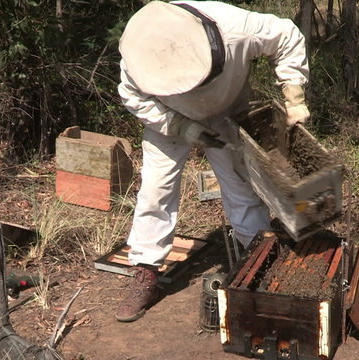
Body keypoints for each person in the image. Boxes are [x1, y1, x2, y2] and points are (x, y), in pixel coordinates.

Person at [114, 0, 310, 322]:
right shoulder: (140, 52)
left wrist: (294, 94)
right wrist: (181, 127)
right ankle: (146, 272)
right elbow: (134, 98)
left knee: (241, 187)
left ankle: (258, 258)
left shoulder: (236, 27)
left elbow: (286, 35)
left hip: (227, 112)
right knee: (155, 190)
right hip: (169, 120)